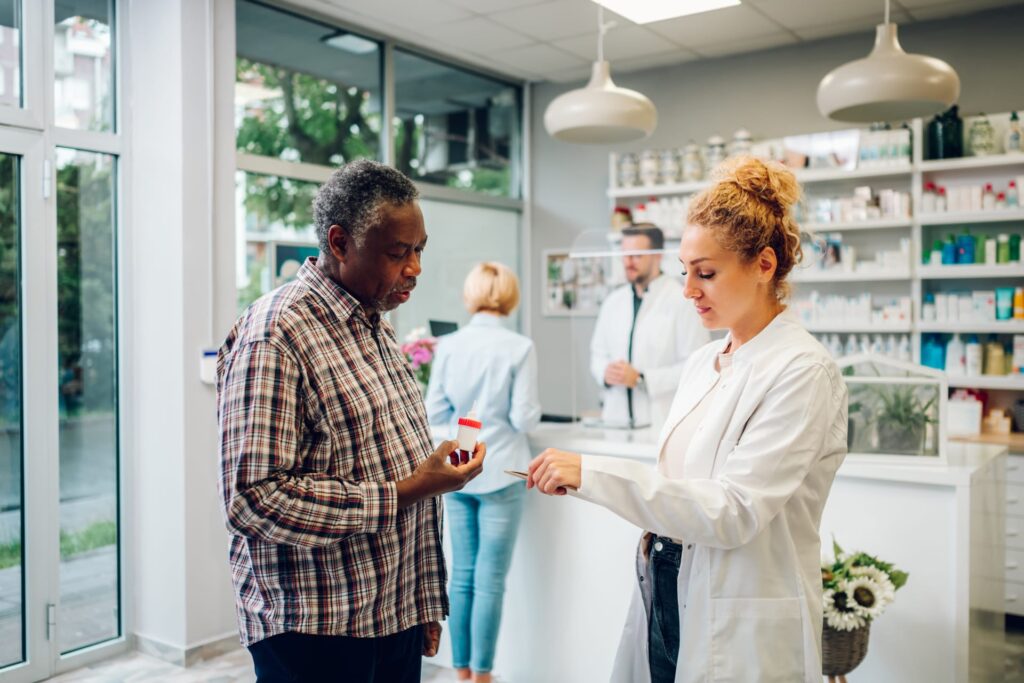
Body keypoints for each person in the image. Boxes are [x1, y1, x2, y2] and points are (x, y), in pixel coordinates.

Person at [527, 157, 848, 682]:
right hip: (668, 590)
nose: (688, 290)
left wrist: (595, 475)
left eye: (707, 273)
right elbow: (678, 484)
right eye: (684, 272)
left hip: (741, 612)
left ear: (764, 264)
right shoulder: (704, 363)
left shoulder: (802, 371)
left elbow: (734, 509)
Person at [217, 159, 486, 683]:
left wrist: (422, 600)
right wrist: (406, 490)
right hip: (315, 633)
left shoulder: (376, 326)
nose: (415, 268)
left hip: (391, 618)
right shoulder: (275, 335)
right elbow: (253, 498)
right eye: (397, 253)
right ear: (339, 243)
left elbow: (393, 458)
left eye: (419, 250)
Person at [425, 262, 541, 683]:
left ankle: (460, 671)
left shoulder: (449, 345)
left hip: (459, 472)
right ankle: (483, 676)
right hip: (503, 471)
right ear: (509, 295)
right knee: (490, 579)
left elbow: (434, 411)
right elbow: (524, 418)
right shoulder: (519, 347)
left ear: (471, 294)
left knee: (463, 576)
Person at [590, 224, 708, 430]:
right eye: (625, 255)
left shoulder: (682, 301)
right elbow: (597, 354)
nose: (628, 262)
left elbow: (696, 366)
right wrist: (605, 372)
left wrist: (642, 379)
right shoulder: (613, 302)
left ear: (658, 255)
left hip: (660, 422)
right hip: (615, 422)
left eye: (636, 255)